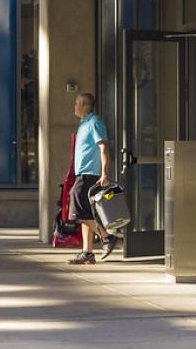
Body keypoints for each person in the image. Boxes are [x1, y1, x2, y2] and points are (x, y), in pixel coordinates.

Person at [68, 93, 118, 265]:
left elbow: (104, 148)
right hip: (82, 173)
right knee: (86, 213)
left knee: (79, 211)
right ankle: (87, 253)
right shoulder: (84, 124)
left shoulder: (95, 122)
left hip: (90, 174)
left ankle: (107, 237)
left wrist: (105, 173)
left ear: (83, 104)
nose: (74, 106)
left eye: (76, 103)